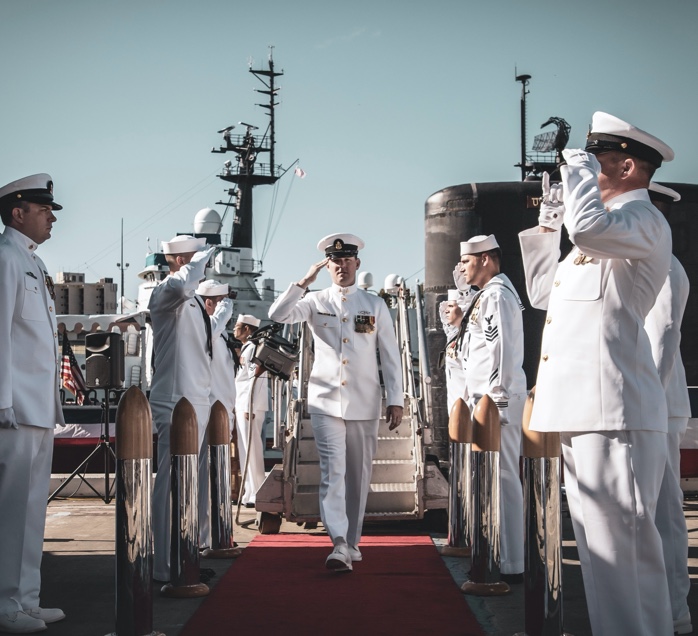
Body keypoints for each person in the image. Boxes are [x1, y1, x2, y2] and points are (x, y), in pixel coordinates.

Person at [518, 112, 674, 635]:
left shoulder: (644, 222)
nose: (583, 173)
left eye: (598, 162)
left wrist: (574, 168)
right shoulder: (601, 238)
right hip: (583, 411)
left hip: (616, 413)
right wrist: (547, 222)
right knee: (603, 567)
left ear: (627, 166)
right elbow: (543, 293)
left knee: (625, 564)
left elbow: (587, 227)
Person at [268, 233, 404, 572]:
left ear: (357, 263)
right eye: (335, 261)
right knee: (334, 472)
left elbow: (390, 355)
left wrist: (396, 399)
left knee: (358, 474)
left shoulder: (374, 305)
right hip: (326, 401)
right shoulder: (315, 301)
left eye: (347, 260)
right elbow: (278, 314)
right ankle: (339, 543)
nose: (341, 265)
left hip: (365, 401)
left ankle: (353, 542)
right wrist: (302, 282)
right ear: (327, 265)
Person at [0, 174, 66, 633]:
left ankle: (27, 598)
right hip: (16, 408)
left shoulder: (33, 264)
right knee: (11, 510)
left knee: (31, 510)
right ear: (18, 212)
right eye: (44, 210)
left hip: (39, 407)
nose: (51, 217)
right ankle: (6, 607)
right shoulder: (5, 260)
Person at [457, 234, 526, 582]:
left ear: (485, 258)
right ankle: (502, 553)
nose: (462, 269)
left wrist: (497, 397)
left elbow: (500, 348)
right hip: (484, 400)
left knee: (503, 478)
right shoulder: (488, 294)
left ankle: (513, 561)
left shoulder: (497, 295)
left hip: (496, 400)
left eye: (467, 262)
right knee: (492, 479)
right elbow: (472, 350)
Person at [148, 235, 215, 582]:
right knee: (171, 484)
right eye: (195, 257)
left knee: (190, 485)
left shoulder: (192, 301)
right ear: (178, 260)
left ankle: (184, 554)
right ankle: (164, 564)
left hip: (197, 398)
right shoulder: (167, 293)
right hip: (175, 400)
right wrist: (198, 261)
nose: (203, 264)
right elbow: (183, 282)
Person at [646, 183, 692, 636]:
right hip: (652, 404)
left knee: (664, 515)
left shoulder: (665, 269)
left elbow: (662, 341)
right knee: (656, 513)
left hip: (655, 404)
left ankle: (675, 611)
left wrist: (647, 403)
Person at [195, 279, 235, 548]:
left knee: (216, 476)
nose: (225, 306)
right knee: (204, 478)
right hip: (210, 411)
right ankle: (203, 538)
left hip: (222, 412)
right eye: (219, 300)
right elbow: (212, 324)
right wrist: (225, 305)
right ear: (209, 303)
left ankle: (215, 535)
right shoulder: (205, 328)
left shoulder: (218, 334)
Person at [233, 314, 268, 508]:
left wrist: (250, 406)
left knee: (252, 449)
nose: (234, 329)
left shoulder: (253, 347)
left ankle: (257, 491)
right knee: (245, 449)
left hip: (250, 404)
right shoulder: (248, 347)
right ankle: (249, 491)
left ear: (247, 329)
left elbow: (257, 379)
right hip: (243, 403)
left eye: (238, 326)